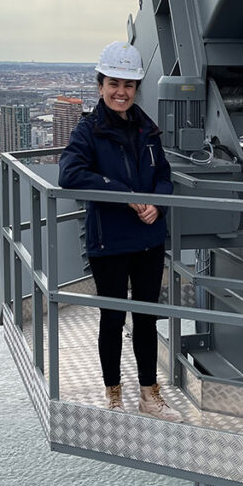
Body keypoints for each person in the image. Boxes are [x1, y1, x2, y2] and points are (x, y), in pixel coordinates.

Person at [58, 41, 182, 421]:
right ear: (100, 86)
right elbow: (70, 174)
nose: (121, 92)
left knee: (146, 318)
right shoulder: (88, 130)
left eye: (128, 85)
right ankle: (114, 395)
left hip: (147, 238)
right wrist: (126, 195)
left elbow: (162, 174)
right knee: (112, 319)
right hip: (108, 241)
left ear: (136, 89)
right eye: (113, 83)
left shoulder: (147, 129)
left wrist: (157, 204)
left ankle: (150, 396)